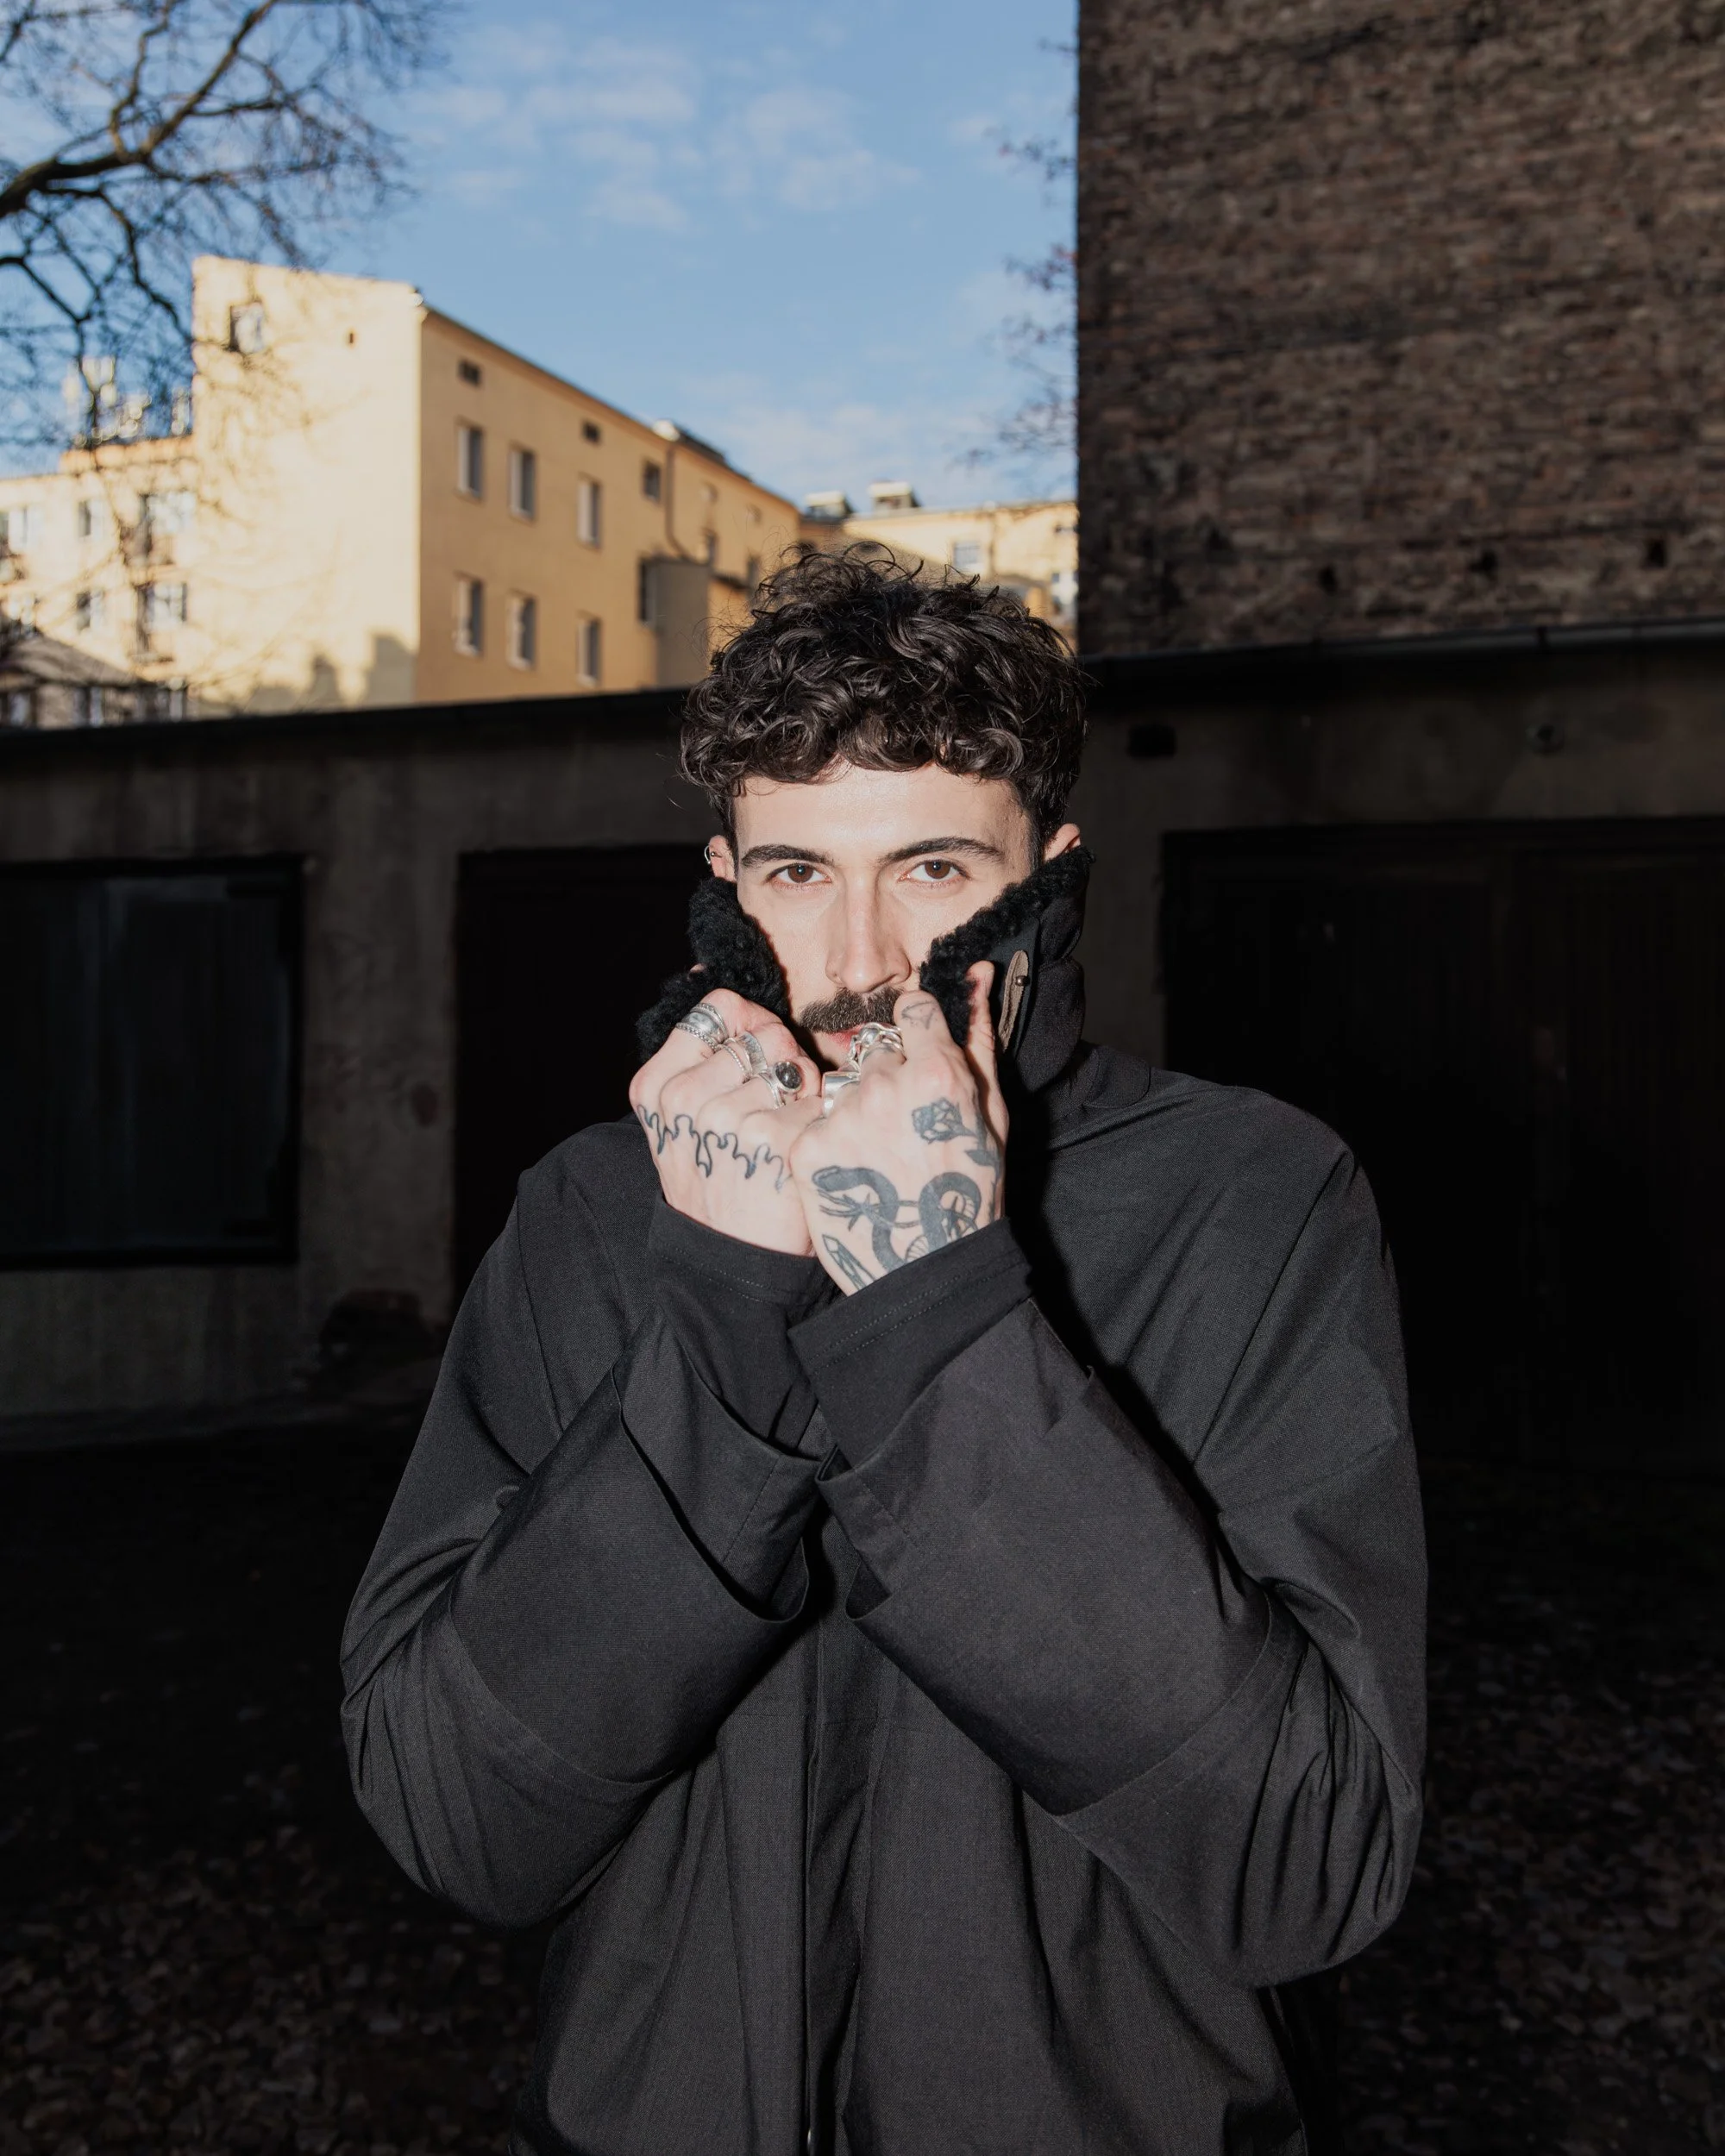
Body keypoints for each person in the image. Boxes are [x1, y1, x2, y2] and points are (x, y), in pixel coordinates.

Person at [342, 547, 1426, 2156]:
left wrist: (938, 1302)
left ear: (1049, 869)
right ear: (723, 875)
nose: (855, 964)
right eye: (794, 875)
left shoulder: (1252, 1199)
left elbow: (1304, 1859)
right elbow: (461, 1820)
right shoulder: (588, 1214)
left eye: (930, 870)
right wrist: (722, 1310)